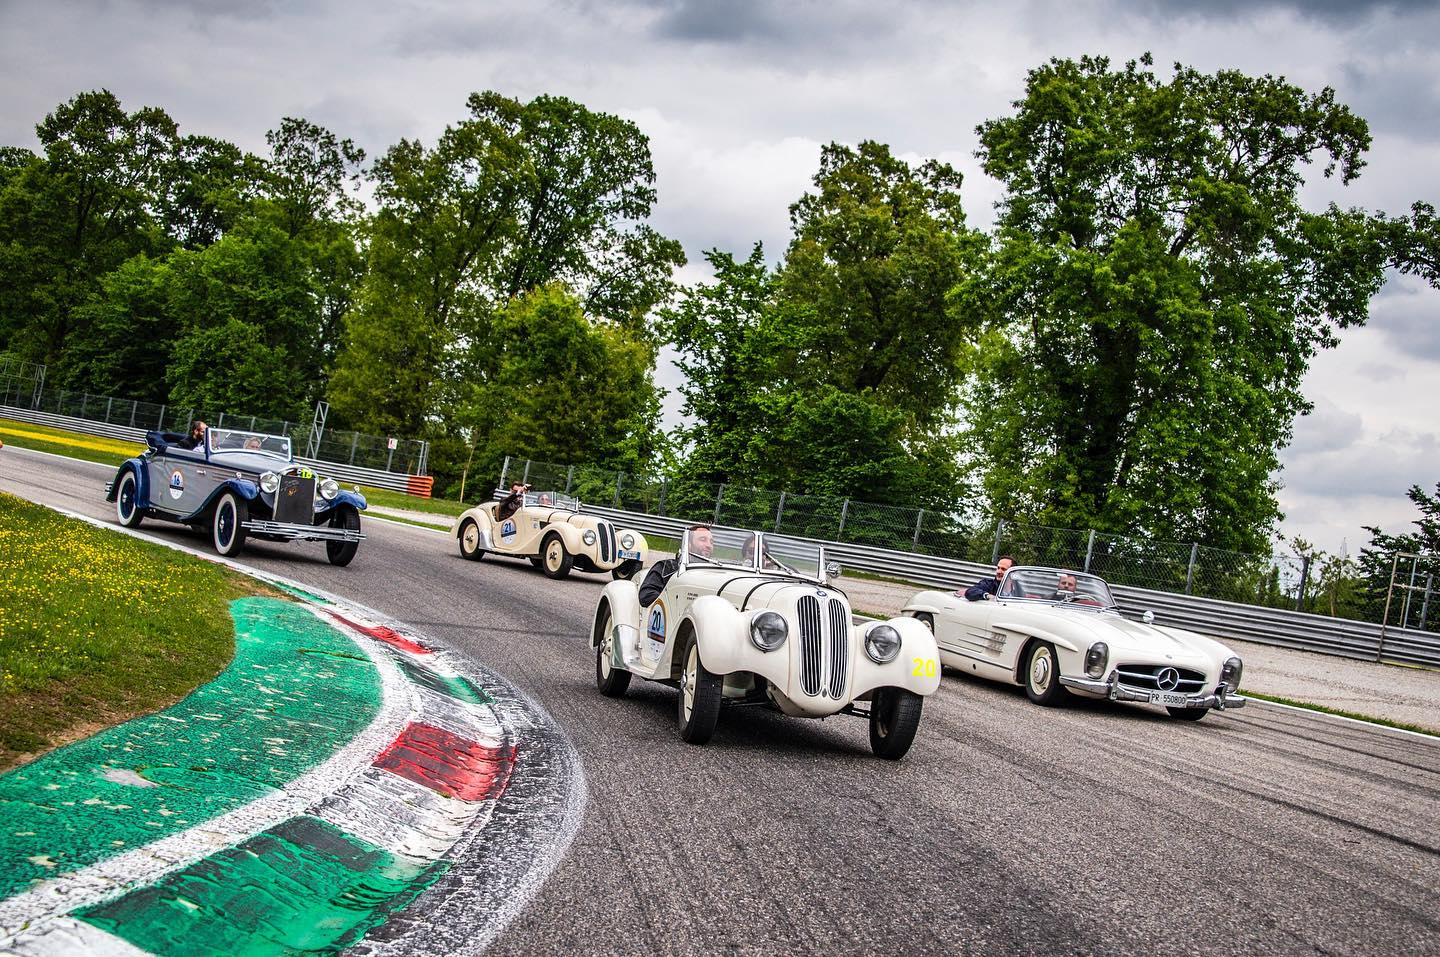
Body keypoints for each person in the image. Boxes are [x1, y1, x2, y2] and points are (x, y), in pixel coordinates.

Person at [638, 526, 713, 606]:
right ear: (688, 544)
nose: (709, 545)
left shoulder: (713, 574)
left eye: (711, 542)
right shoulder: (667, 567)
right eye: (703, 539)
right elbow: (646, 596)